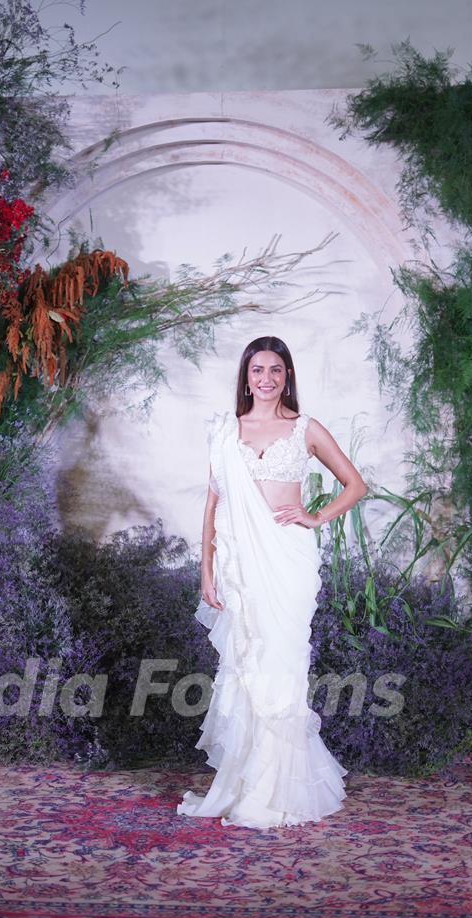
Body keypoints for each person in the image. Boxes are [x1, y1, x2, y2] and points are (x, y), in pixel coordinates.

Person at [176, 335, 367, 830]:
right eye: (257, 370)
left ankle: (283, 789)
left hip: (288, 562)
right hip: (241, 568)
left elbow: (356, 484)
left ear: (287, 377)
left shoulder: (305, 428)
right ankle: (247, 783)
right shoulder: (225, 429)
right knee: (246, 664)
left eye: (276, 371)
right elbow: (213, 505)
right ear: (245, 377)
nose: (266, 379)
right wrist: (206, 569)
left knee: (282, 665)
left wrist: (314, 515)